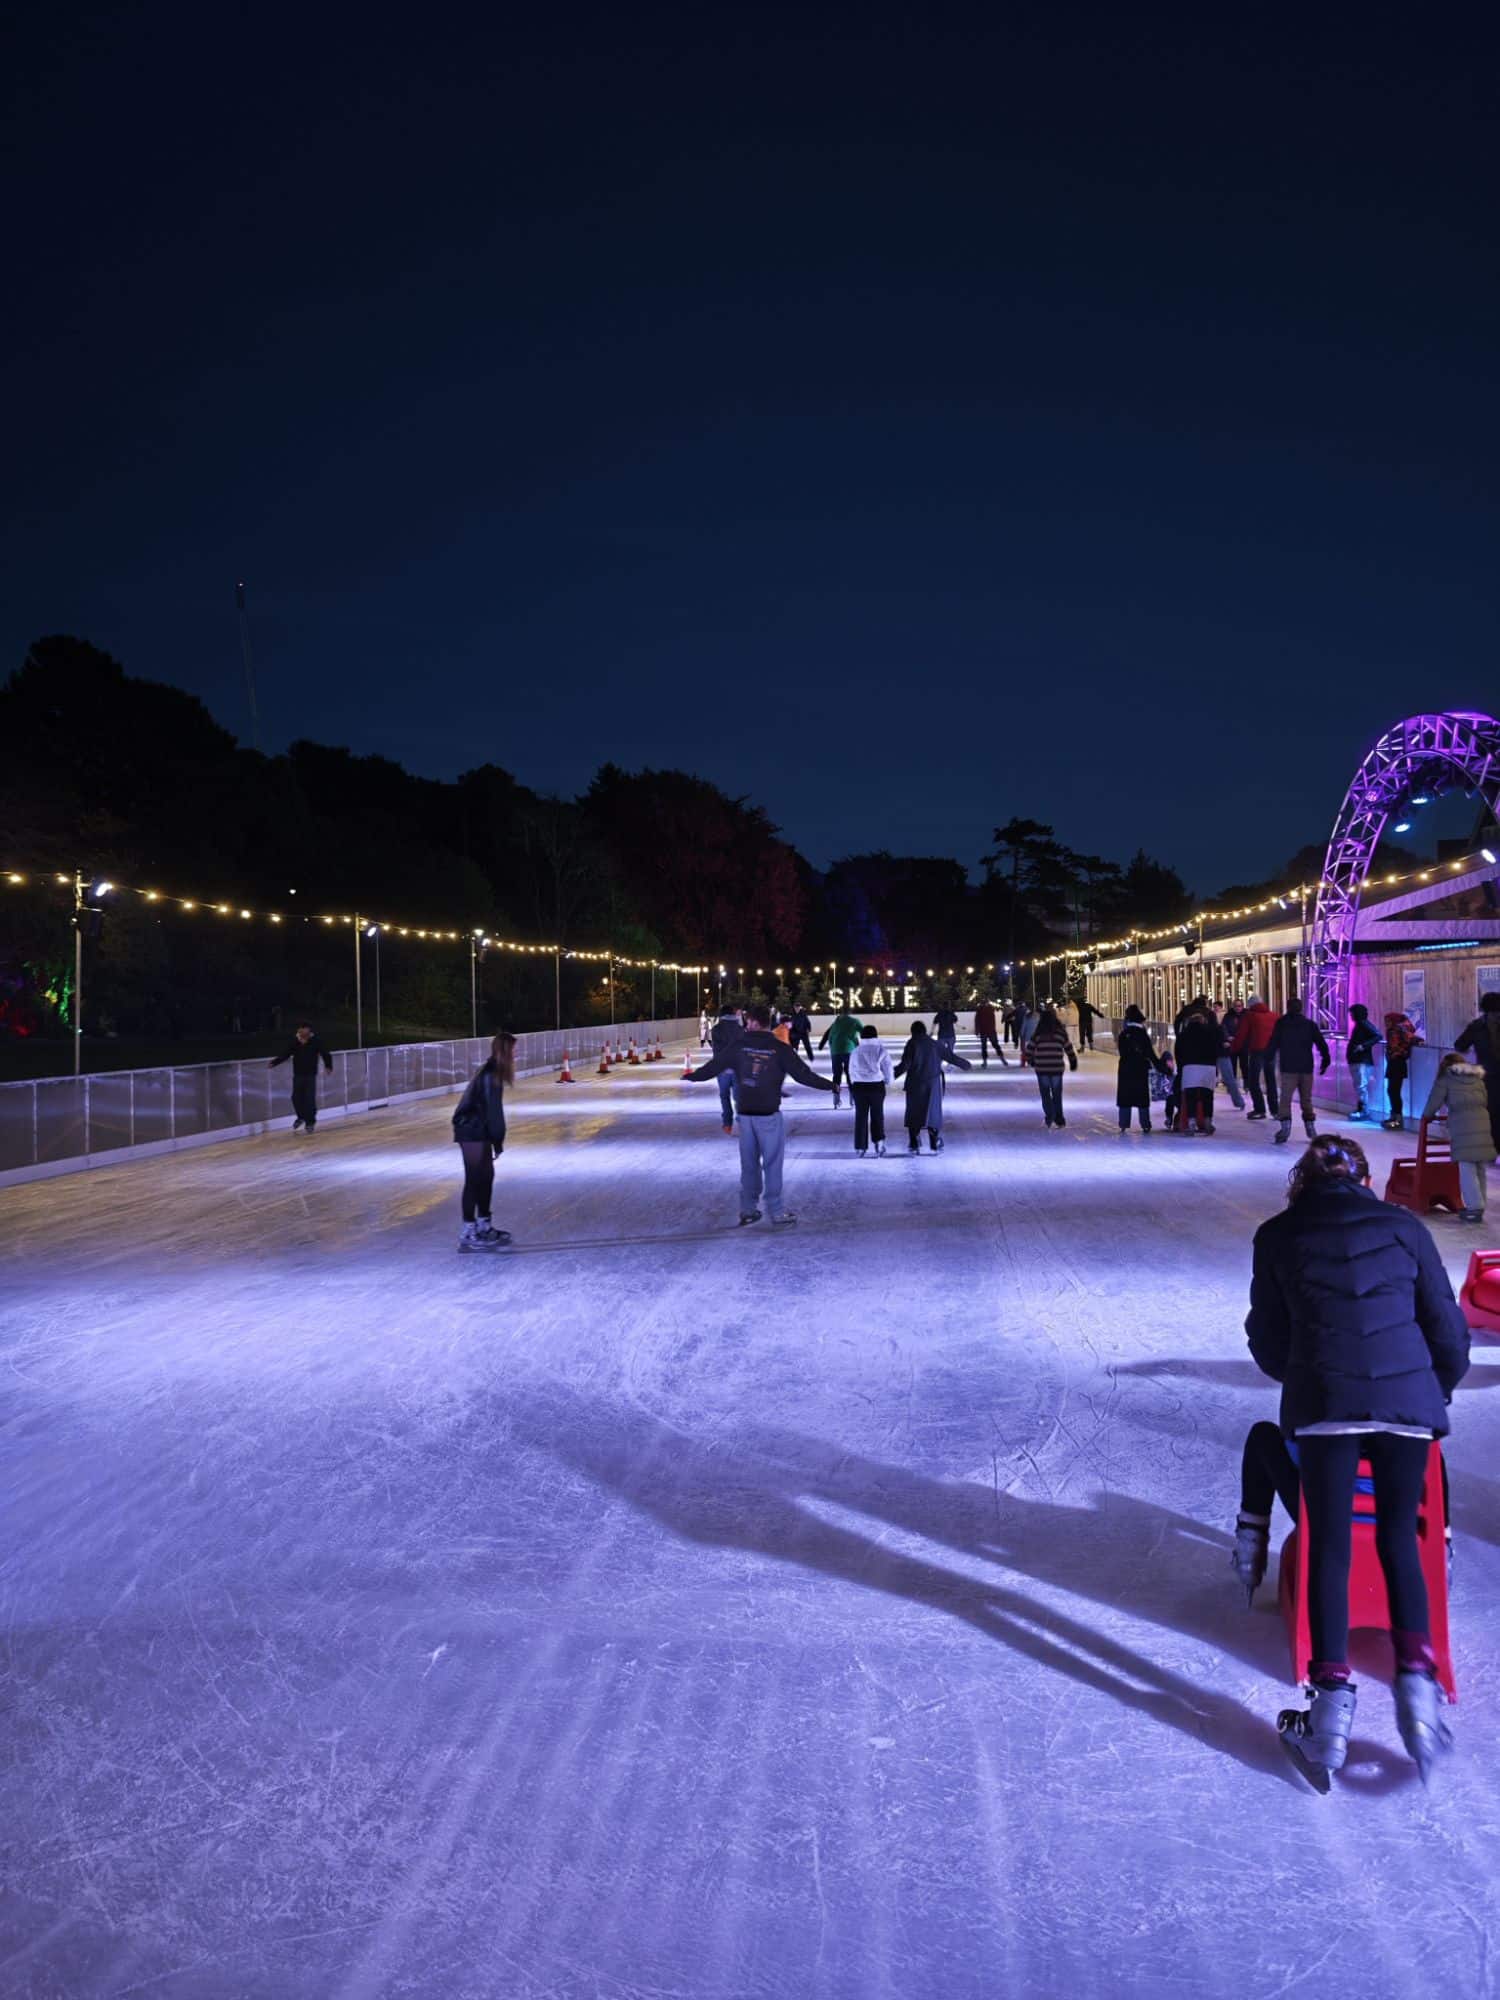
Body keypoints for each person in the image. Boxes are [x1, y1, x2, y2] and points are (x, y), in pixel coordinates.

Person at [1245, 1133, 1469, 1787]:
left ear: (1302, 1182)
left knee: (1331, 1545)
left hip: (1326, 1405)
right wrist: (1431, 1392)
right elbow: (1446, 1328)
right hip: (1407, 1403)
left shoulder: (1278, 1234)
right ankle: (1418, 1699)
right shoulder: (1404, 1228)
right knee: (1400, 1537)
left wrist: (1308, 1374)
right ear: (1363, 1178)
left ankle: (1330, 1717)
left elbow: (1267, 1337)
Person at [691, 1001, 834, 1225]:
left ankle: (748, 1208)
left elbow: (715, 1065)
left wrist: (693, 1076)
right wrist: (830, 1085)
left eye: (748, 1021)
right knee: (772, 1164)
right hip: (768, 1115)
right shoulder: (779, 1048)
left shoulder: (739, 1045)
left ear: (755, 1022)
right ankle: (775, 1211)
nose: (745, 1024)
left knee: (749, 1165)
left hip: (745, 1115)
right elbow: (803, 1074)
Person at [451, 1031, 516, 1251]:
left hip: (478, 1129)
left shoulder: (492, 1071)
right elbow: (494, 1113)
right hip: (470, 1130)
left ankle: (484, 1224)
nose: (516, 1055)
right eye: (513, 1050)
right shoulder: (491, 1075)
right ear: (505, 1051)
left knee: (486, 1176)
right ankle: (469, 1230)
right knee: (475, 1178)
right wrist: (497, 1142)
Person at [1422, 1052, 1493, 1223]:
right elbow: (1485, 1100)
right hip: (1483, 1123)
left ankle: (1474, 1208)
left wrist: (1426, 1116)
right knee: (1479, 1167)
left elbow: (1433, 1102)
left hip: (1462, 1126)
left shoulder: (1446, 1079)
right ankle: (1479, 1205)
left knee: (1466, 1168)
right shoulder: (1477, 1078)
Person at [893, 1019, 972, 1152]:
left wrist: (891, 1076)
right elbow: (951, 1057)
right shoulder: (935, 1044)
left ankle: (913, 1142)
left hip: (915, 1083)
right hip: (933, 1084)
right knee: (933, 1112)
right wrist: (965, 1064)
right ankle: (934, 1142)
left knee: (914, 1112)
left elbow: (905, 1065)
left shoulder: (912, 1044)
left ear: (913, 1032)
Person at [1266, 997, 1330, 1146]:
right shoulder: (1309, 1024)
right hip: (1306, 1066)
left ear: (1287, 1007)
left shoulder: (1282, 1024)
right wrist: (1325, 1058)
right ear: (1301, 1008)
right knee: (1306, 1099)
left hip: (1288, 1067)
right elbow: (1321, 1042)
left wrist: (1268, 1057)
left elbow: (1274, 1041)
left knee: (1285, 1099)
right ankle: (1310, 1127)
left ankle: (1285, 1128)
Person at [1454, 990, 1500, 1155]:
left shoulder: (1477, 1027)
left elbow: (1460, 1045)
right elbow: (1460, 1045)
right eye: (1495, 1013)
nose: (1497, 1016)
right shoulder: (1475, 1027)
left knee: (1493, 1112)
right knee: (1493, 1113)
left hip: (1488, 1075)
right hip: (1489, 1077)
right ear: (1488, 1012)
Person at [268, 1022, 334, 1132]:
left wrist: (328, 1065)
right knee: (296, 1097)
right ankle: (301, 1117)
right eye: (300, 1031)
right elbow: (286, 1054)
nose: (301, 1033)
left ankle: (310, 1122)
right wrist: (275, 1062)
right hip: (298, 1074)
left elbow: (325, 1053)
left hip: (310, 1074)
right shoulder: (295, 1042)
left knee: (309, 1099)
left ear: (308, 1031)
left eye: (304, 1031)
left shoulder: (315, 1041)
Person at [1115, 1002, 1167, 1132]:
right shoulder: (1143, 1035)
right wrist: (1163, 1068)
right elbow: (1151, 1054)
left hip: (1126, 1068)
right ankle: (1145, 1123)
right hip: (1140, 1068)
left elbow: (1122, 1052)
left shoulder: (1123, 1035)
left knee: (1125, 1096)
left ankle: (1123, 1123)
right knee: (1142, 1097)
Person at [1229, 994, 1280, 1121]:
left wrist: (1234, 1048)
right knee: (1271, 1080)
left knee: (1254, 1081)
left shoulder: (1250, 1016)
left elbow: (1241, 1034)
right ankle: (1275, 1110)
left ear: (1250, 1005)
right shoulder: (1274, 1016)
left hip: (1257, 1051)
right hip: (1271, 1052)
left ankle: (1260, 1109)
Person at [848, 1022, 894, 1156]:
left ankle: (860, 1147)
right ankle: (879, 1143)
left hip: (859, 1087)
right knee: (877, 1115)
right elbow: (888, 1068)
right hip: (876, 1086)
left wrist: (854, 1082)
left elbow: (851, 1070)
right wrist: (888, 1081)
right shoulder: (881, 1049)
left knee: (860, 1116)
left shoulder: (855, 1051)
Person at [1027, 1005, 1077, 1128]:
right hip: (1056, 1068)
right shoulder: (1060, 1033)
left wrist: (1032, 1060)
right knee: (1057, 1094)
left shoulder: (1038, 1034)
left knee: (1045, 1094)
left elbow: (1029, 1050)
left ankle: (1050, 1115)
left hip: (1042, 1068)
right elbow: (1068, 1048)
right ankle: (1059, 1119)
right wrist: (1073, 1061)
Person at [1173, 1005, 1220, 1134]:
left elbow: (1178, 1052)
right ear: (1203, 1021)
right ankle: (1208, 1122)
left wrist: (1181, 1067)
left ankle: (1192, 1123)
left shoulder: (1184, 1034)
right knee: (1207, 1096)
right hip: (1208, 1067)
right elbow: (1216, 1050)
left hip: (1190, 1067)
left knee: (1191, 1096)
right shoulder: (1210, 1033)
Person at [1382, 1008, 1423, 1131]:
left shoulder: (1397, 1030)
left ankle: (1397, 1118)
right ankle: (1395, 1116)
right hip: (1395, 1061)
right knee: (1392, 1090)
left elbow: (1410, 1039)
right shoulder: (1396, 1029)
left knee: (1393, 1090)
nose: (1386, 1023)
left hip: (1397, 1062)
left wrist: (1397, 1052)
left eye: (1388, 1021)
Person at [818, 1004, 864, 1109]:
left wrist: (832, 1047)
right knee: (850, 1074)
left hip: (835, 1051)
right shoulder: (855, 1021)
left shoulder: (836, 1022)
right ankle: (853, 1100)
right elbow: (865, 1032)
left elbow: (829, 1036)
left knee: (836, 1075)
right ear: (850, 1012)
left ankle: (836, 1099)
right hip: (849, 1050)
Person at [709, 1006, 744, 1134]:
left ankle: (727, 1124)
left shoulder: (716, 1030)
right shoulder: (740, 1029)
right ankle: (742, 1122)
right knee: (738, 1097)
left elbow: (716, 1050)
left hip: (722, 1068)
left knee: (724, 1095)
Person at [1345, 1002, 1380, 1121]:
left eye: (1352, 1014)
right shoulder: (1361, 1025)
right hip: (1358, 1060)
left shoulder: (1363, 1024)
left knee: (1361, 1086)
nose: (1351, 1016)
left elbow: (1378, 1036)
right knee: (1359, 1086)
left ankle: (1363, 1110)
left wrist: (1363, 1046)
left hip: (1361, 1060)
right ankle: (1361, 1109)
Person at [1210, 1002, 1245, 1111]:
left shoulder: (1213, 1027)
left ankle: (1206, 1102)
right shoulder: (1220, 1027)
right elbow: (1224, 1038)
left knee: (1219, 1077)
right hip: (1221, 1053)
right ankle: (1239, 1101)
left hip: (1215, 1054)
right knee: (1229, 1077)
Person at [973, 996, 1007, 1067]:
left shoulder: (980, 1010)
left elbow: (977, 1021)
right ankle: (1002, 1059)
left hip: (984, 1031)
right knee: (995, 1045)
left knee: (984, 1047)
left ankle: (985, 1062)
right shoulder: (990, 1009)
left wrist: (977, 1030)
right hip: (991, 1030)